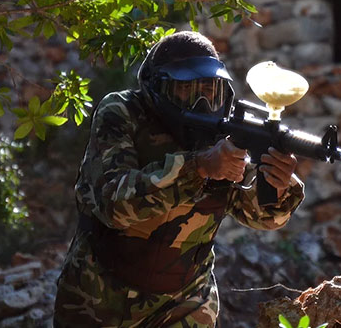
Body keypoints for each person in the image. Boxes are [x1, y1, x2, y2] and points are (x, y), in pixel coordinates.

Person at [54, 30, 305, 327]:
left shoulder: (225, 129)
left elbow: (261, 217)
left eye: (210, 90)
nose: (201, 101)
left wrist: (277, 184)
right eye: (186, 89)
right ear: (158, 87)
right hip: (99, 297)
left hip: (188, 301)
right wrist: (199, 167)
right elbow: (114, 205)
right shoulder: (123, 112)